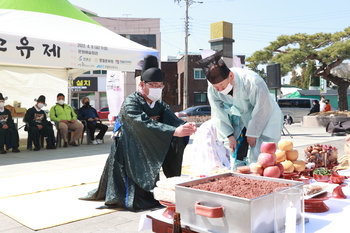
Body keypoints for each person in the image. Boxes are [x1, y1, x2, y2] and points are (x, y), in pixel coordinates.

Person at [80, 55, 196, 210]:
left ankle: (150, 194)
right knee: (128, 184)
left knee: (151, 175)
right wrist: (174, 131)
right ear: (142, 84)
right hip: (128, 146)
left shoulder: (159, 104)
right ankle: (125, 198)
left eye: (159, 85)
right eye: (153, 84)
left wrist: (186, 127)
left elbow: (172, 121)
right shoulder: (131, 102)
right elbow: (143, 124)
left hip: (148, 146)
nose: (157, 88)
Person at [197, 50, 283, 164]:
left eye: (222, 85)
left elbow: (263, 108)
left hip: (266, 116)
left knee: (263, 154)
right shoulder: (213, 90)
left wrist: (253, 132)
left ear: (231, 75)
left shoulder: (252, 81)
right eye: (216, 87)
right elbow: (219, 113)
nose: (220, 90)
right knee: (235, 153)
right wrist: (229, 135)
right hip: (242, 117)